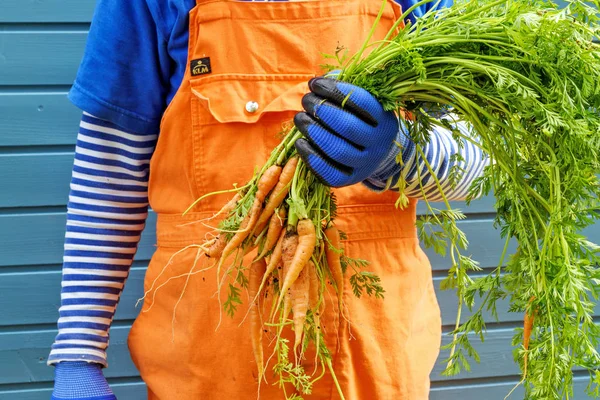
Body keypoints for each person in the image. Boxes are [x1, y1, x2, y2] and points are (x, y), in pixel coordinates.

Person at [48, 0, 487, 399]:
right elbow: (110, 173)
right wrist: (78, 354)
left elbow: (476, 170)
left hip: (374, 354)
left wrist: (401, 154)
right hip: (206, 358)